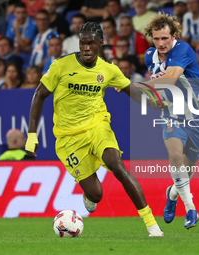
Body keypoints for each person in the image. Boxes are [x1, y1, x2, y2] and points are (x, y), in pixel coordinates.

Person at [25, 22, 163, 237]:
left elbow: (133, 91)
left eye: (91, 43)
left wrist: (155, 102)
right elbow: (39, 95)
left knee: (116, 163)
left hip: (97, 126)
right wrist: (32, 135)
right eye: (82, 43)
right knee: (96, 195)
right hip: (68, 138)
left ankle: (152, 224)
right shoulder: (61, 66)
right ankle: (89, 195)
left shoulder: (108, 70)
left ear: (101, 43)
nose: (86, 48)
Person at [136, 13, 199, 229]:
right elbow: (158, 92)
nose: (160, 43)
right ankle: (191, 209)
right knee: (175, 155)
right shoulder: (149, 55)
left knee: (187, 170)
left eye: (165, 38)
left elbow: (168, 79)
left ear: (174, 36)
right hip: (172, 114)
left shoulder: (183, 49)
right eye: (156, 38)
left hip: (197, 114)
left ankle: (172, 193)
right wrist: (154, 100)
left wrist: (133, 86)